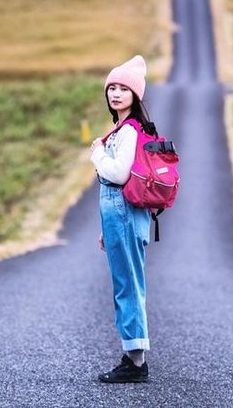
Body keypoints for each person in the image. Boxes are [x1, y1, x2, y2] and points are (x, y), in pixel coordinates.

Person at [89, 54, 156, 383]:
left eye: (123, 89)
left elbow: (117, 174)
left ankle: (135, 363)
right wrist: (105, 227)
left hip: (125, 215)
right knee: (127, 285)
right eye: (111, 88)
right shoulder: (122, 129)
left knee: (127, 287)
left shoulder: (128, 131)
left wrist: (97, 153)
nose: (115, 94)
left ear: (135, 95)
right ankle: (134, 356)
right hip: (122, 216)